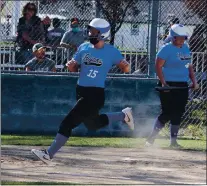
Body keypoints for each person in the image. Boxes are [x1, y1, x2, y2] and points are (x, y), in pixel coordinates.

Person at [31, 18, 135, 163]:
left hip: (95, 94)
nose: (90, 33)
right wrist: (71, 65)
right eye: (90, 30)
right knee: (93, 124)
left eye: (94, 31)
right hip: (81, 91)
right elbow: (74, 68)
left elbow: (127, 68)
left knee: (67, 123)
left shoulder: (111, 51)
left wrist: (125, 65)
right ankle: (123, 115)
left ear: (103, 34)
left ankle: (49, 154)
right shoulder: (84, 47)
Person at [145, 24, 199, 148]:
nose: (181, 40)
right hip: (168, 84)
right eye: (178, 38)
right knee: (167, 113)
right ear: (173, 37)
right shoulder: (166, 49)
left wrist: (194, 81)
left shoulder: (186, 48)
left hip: (182, 85)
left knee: (178, 112)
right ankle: (151, 139)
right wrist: (164, 83)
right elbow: (158, 66)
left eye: (183, 38)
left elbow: (189, 66)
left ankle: (173, 142)